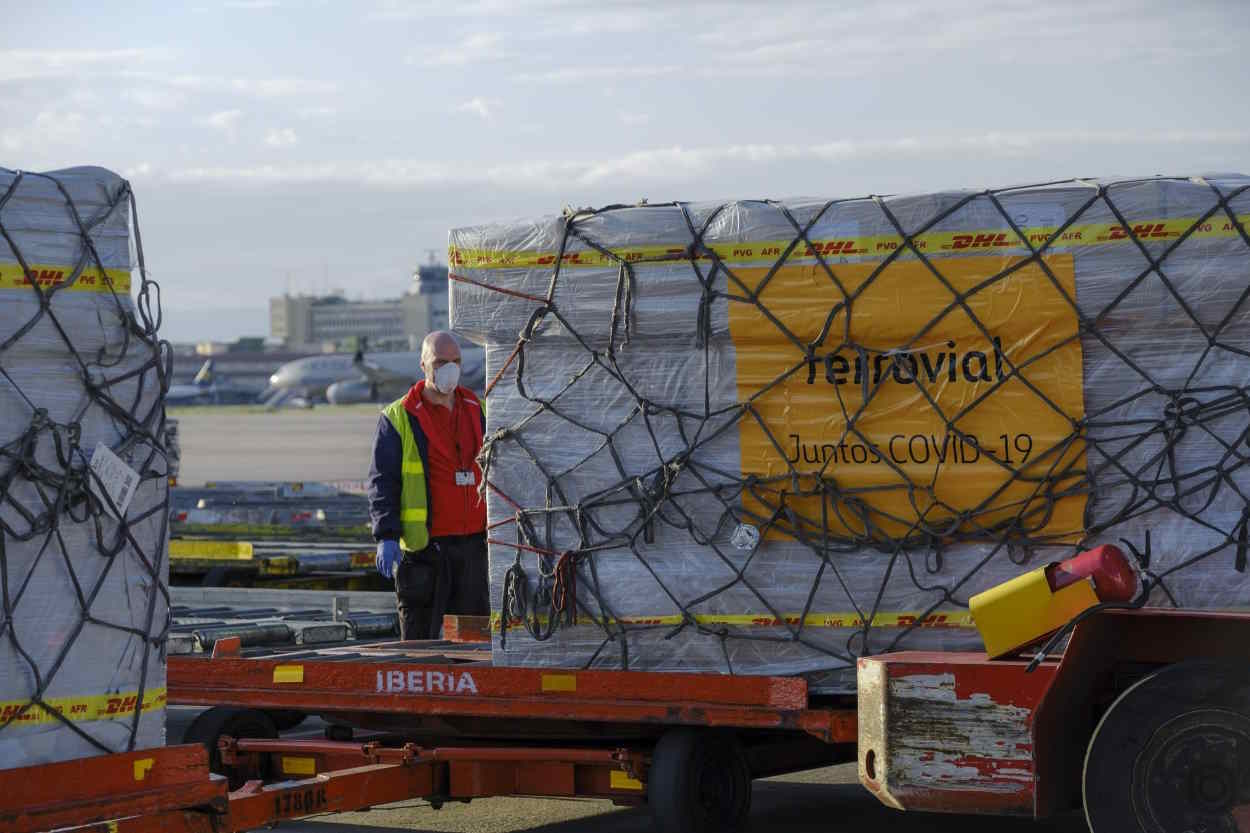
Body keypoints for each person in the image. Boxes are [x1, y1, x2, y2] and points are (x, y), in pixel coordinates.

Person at [368, 331, 488, 639]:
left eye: (456, 361)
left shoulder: (477, 408)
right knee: (421, 644)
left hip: (474, 548)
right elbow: (383, 482)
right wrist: (387, 535)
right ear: (424, 365)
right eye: (441, 362)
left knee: (473, 644)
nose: (450, 368)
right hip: (425, 552)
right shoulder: (399, 417)